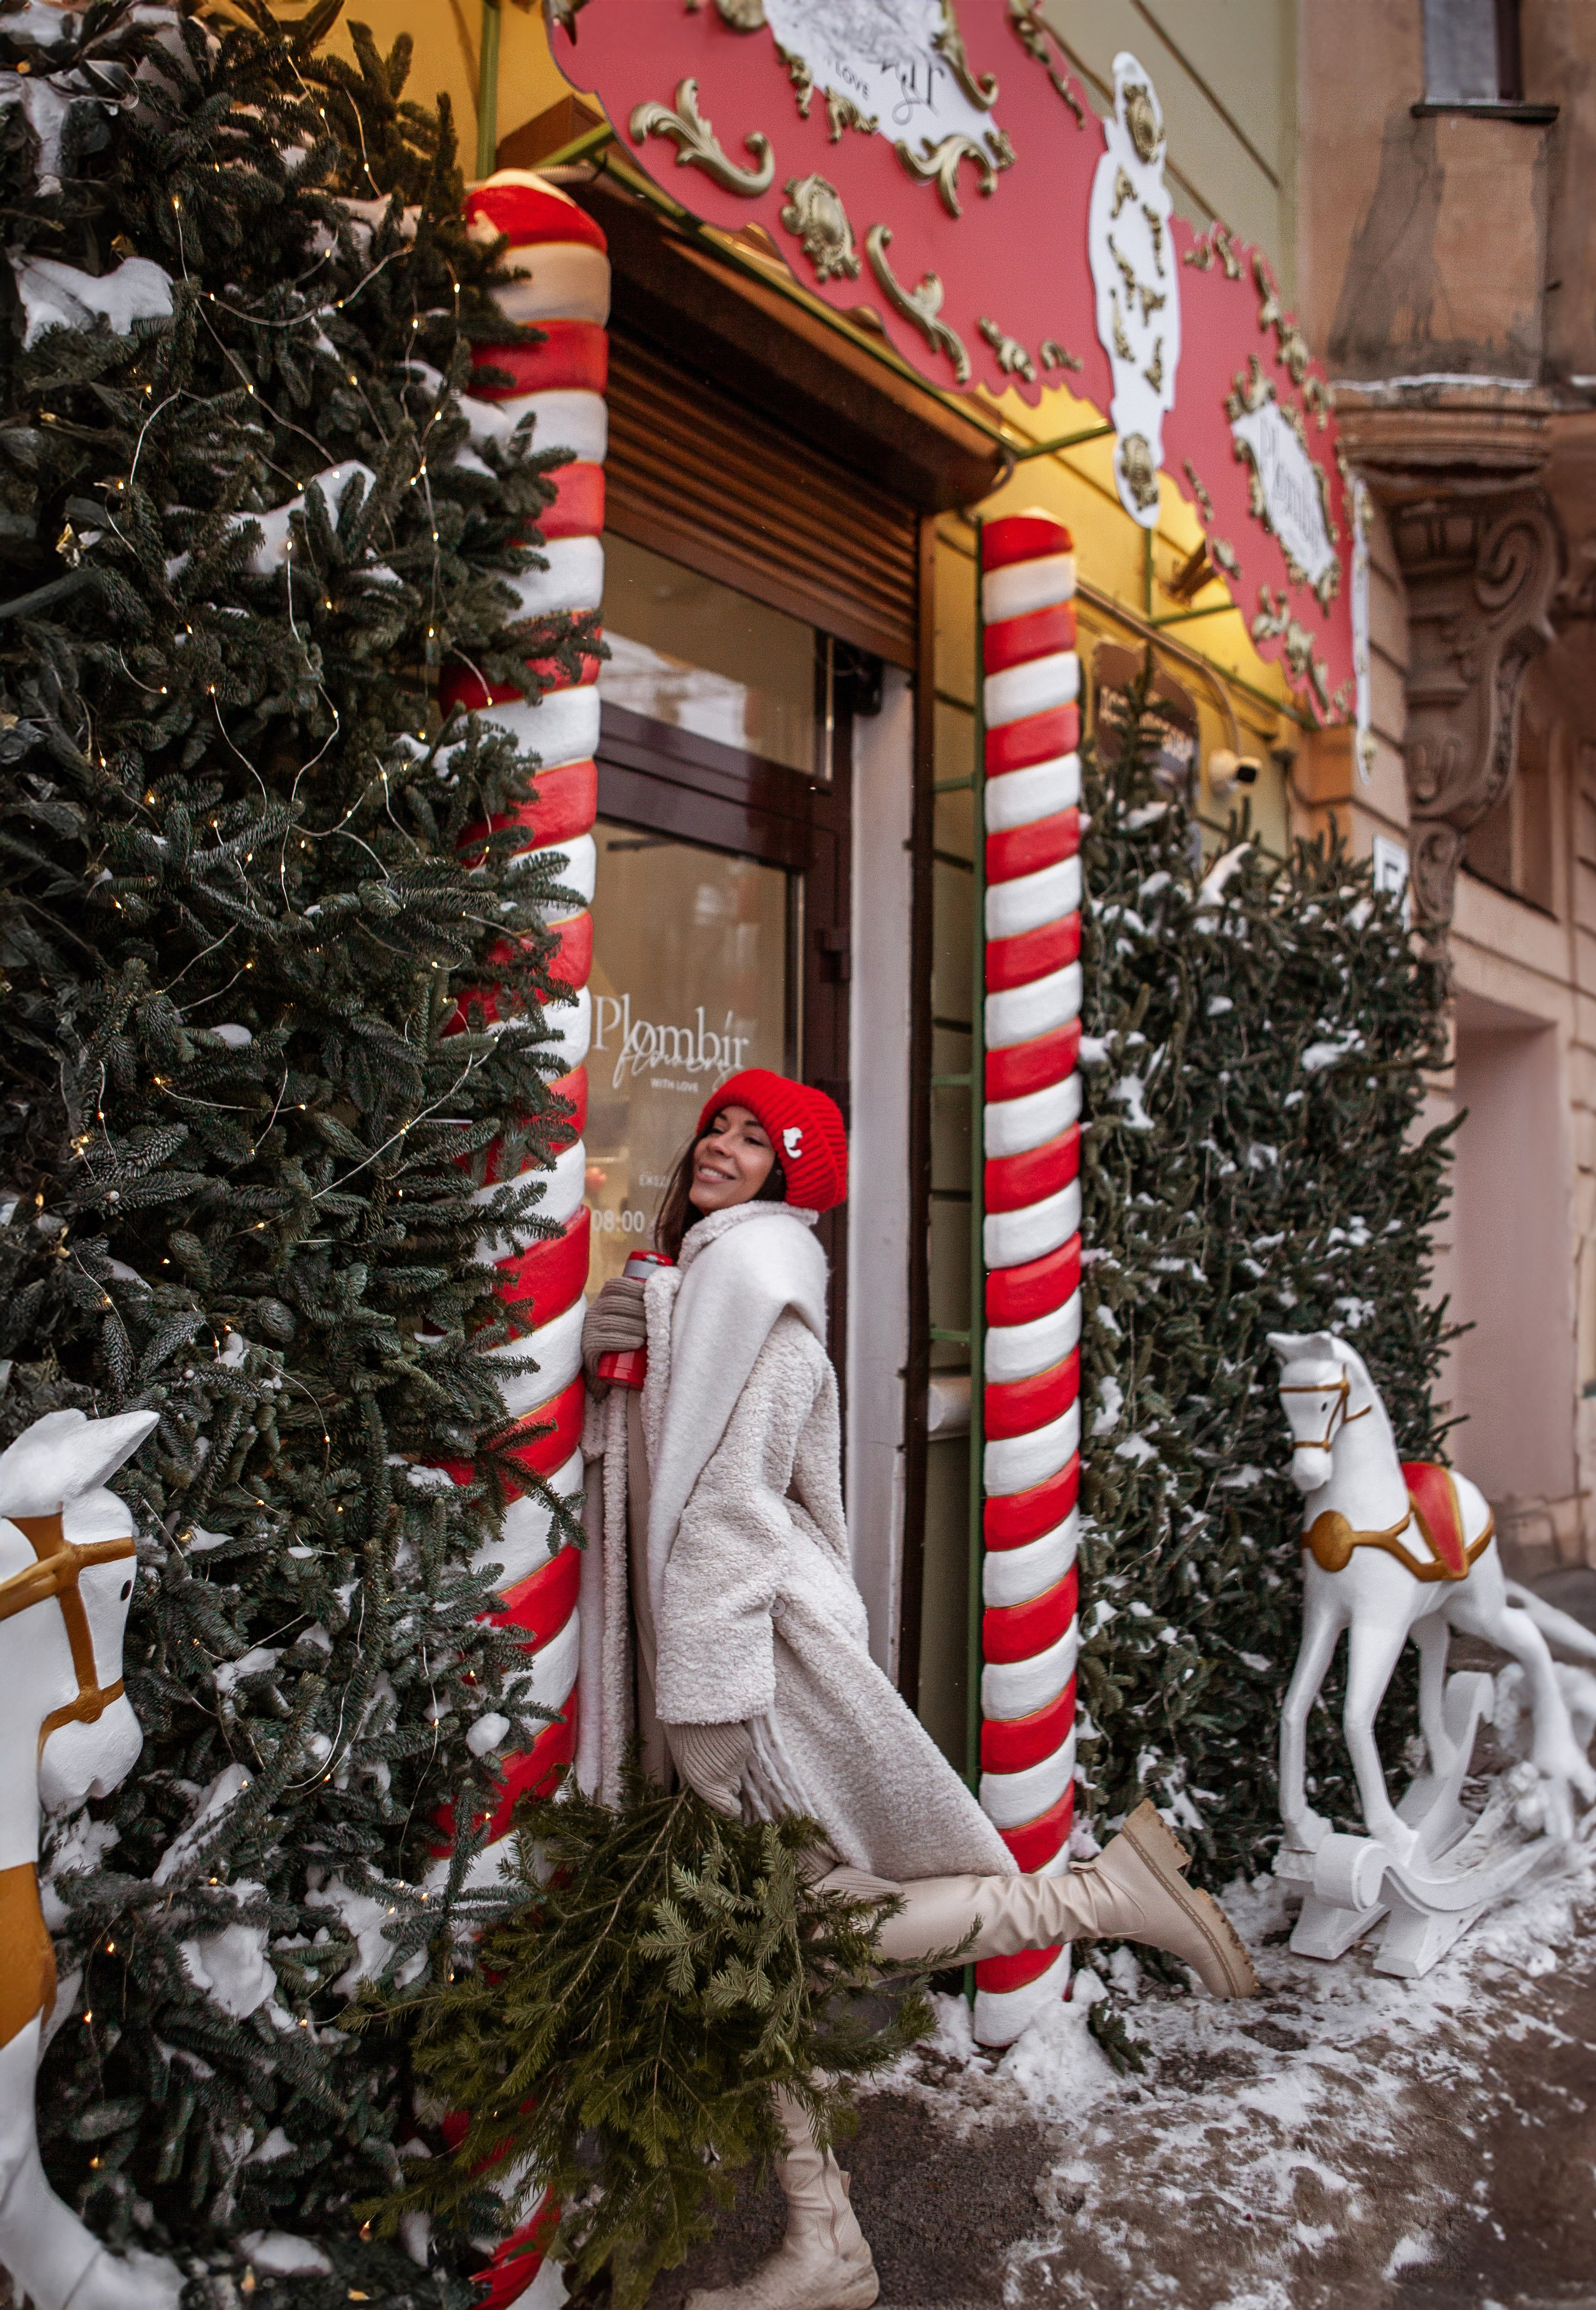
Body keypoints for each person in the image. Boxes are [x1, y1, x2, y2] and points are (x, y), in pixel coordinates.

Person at [579, 1069, 1257, 2310]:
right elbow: (660, 1465)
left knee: (799, 1927)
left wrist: (702, 1696)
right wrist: (612, 1351)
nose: (721, 1147)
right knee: (769, 1943)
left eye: (753, 1138)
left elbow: (730, 1508)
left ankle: (1095, 1895)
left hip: (741, 1665)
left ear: (792, 1176)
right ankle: (823, 2237)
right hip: (723, 1651)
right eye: (715, 1127)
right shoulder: (695, 1287)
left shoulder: (758, 1288)